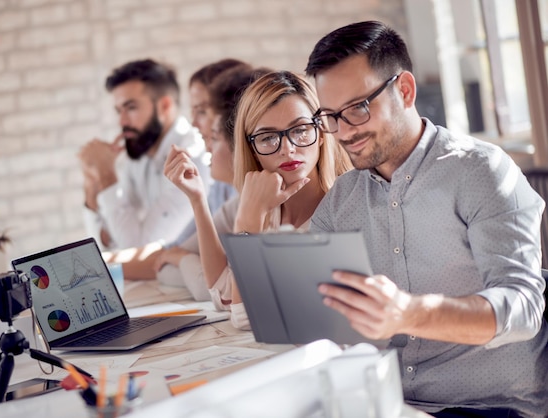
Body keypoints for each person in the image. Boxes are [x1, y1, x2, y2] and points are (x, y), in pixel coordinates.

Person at [305, 21, 548, 417]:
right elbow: (319, 317)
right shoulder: (341, 201)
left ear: (404, 90)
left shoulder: (481, 171)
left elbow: (522, 309)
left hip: (491, 407)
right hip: (391, 403)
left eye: (357, 109)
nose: (343, 132)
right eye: (331, 116)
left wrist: (409, 313)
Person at [165, 70, 351, 327]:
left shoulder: (342, 207)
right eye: (268, 138)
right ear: (252, 147)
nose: (288, 148)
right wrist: (197, 199)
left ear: (320, 134)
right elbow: (224, 294)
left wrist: (247, 223)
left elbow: (244, 317)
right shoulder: (269, 203)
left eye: (300, 130)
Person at [103, 59, 245, 281]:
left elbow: (214, 282)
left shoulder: (192, 158)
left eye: (203, 111)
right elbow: (169, 253)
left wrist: (104, 177)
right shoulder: (137, 158)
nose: (195, 123)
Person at [156, 64, 268, 299]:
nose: (206, 144)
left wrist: (183, 260)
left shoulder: (267, 201)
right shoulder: (233, 202)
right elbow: (166, 265)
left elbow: (221, 294)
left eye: (214, 138)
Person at [79, 59, 210, 250]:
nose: (122, 121)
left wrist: (106, 173)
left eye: (131, 108)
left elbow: (139, 248)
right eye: (119, 111)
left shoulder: (191, 157)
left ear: (165, 106)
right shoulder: (139, 156)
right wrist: (92, 188)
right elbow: (110, 242)